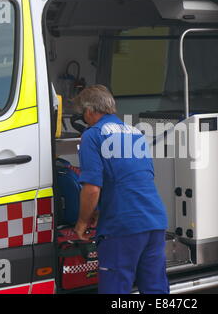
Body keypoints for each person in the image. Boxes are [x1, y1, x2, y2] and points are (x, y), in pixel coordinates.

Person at [73, 85, 169, 294]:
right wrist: (100, 210)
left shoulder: (93, 135)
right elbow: (136, 178)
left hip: (123, 225)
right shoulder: (134, 132)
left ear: (89, 111)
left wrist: (81, 223)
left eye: (83, 114)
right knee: (155, 289)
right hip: (154, 219)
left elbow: (92, 189)